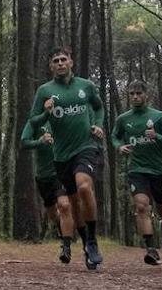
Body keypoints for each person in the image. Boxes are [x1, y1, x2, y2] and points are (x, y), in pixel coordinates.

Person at [23, 46, 106, 271]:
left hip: (86, 147)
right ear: (51, 66)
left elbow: (99, 108)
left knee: (85, 187)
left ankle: (92, 241)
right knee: (74, 204)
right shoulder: (44, 91)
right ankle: (86, 245)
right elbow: (33, 122)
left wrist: (97, 125)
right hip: (61, 156)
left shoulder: (86, 86)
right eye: (56, 61)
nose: (60, 63)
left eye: (63, 59)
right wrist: (46, 112)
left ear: (71, 62)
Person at [112, 80, 162, 266]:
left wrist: (157, 136)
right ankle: (151, 249)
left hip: (159, 171)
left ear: (146, 95)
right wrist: (119, 146)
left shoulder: (159, 116)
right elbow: (115, 136)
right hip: (137, 170)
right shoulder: (123, 119)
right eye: (132, 94)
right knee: (141, 206)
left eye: (139, 93)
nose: (135, 97)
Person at [21, 120, 78, 264]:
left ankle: (66, 247)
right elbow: (24, 143)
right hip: (43, 176)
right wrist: (40, 141)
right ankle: (63, 230)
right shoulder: (35, 121)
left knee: (64, 205)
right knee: (52, 213)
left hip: (60, 172)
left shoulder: (65, 117)